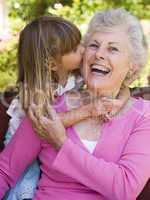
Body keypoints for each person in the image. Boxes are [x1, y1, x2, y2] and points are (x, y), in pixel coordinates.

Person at [0, 8, 143, 199]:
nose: (98, 54)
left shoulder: (143, 116)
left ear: (132, 65)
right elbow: (5, 171)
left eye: (113, 48)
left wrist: (61, 143)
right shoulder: (48, 106)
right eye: (93, 45)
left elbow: (125, 188)